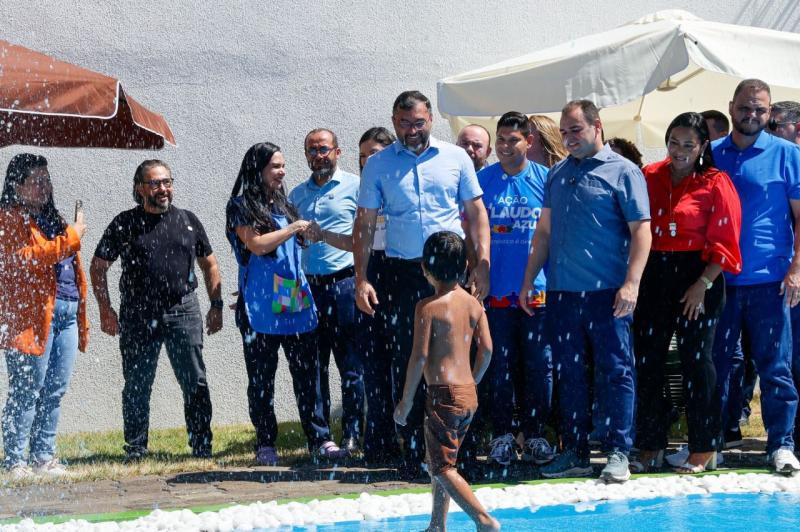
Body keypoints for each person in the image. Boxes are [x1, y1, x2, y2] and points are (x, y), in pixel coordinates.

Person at [353, 90, 490, 478]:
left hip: (451, 271)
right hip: (404, 272)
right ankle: (415, 452)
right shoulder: (379, 165)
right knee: (409, 358)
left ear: (431, 119)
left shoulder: (455, 157)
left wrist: (483, 265)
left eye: (418, 123)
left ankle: (462, 450)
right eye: (403, 123)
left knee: (458, 358)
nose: (411, 131)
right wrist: (361, 278)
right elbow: (364, 224)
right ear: (393, 122)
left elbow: (476, 212)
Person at [519, 100, 651, 482]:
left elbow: (642, 231)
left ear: (597, 127)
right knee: (570, 373)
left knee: (615, 372)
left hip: (608, 292)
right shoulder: (557, 173)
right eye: (563, 132)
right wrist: (530, 279)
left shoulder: (623, 171)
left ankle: (618, 451)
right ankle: (575, 451)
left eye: (575, 130)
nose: (568, 138)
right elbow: (543, 233)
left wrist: (632, 283)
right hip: (562, 293)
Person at [633, 112, 742, 473]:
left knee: (697, 361)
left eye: (688, 144)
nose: (679, 151)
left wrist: (702, 285)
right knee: (648, 360)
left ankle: (704, 445)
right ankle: (650, 443)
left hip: (700, 276)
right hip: (654, 274)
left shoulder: (716, 182)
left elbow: (726, 243)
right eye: (674, 143)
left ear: (702, 147)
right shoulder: (649, 176)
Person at [91, 160, 221, 461]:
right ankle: (136, 447)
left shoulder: (188, 220)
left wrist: (215, 306)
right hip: (137, 313)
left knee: (195, 381)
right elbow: (98, 267)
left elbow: (210, 264)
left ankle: (201, 445)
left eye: (167, 182)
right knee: (136, 384)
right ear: (140, 188)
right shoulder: (124, 223)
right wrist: (105, 309)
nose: (163, 189)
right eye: (155, 183)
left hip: (183, 310)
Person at [226, 143, 347, 464]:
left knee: (307, 377)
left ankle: (320, 439)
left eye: (282, 165)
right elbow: (257, 245)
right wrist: (294, 227)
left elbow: (294, 244)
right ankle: (266, 442)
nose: (282, 171)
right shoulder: (240, 206)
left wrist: (312, 234)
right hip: (259, 305)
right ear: (258, 169)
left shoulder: (284, 202)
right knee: (262, 380)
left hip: (293, 297)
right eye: (275, 166)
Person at [708, 79, 800, 474]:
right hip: (719, 280)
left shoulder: (787, 154)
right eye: (746, 107)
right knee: (713, 366)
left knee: (775, 366)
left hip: (769, 280)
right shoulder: (710, 155)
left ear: (770, 113)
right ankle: (711, 443)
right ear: (731, 107)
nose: (753, 115)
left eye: (760, 110)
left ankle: (781, 444)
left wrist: (796, 269)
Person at [393, 231, 498, 532]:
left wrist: (406, 400)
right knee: (442, 461)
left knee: (441, 466)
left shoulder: (427, 308)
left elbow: (419, 358)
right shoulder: (475, 305)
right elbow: (487, 350)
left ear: (425, 269)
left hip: (442, 396)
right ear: (466, 265)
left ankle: (484, 520)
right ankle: (437, 524)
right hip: (468, 397)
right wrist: (473, 381)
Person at [0, 154, 89, 479]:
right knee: (27, 390)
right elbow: (23, 259)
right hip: (30, 318)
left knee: (54, 389)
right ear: (17, 186)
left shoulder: (53, 219)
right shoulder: (8, 219)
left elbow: (68, 263)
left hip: (65, 309)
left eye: (46, 179)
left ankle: (43, 457)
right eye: (36, 181)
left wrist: (69, 234)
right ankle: (15, 461)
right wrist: (73, 236)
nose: (44, 186)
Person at [477, 112, 554, 467]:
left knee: (539, 366)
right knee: (500, 365)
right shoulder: (482, 181)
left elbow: (553, 236)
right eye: (501, 140)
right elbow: (471, 234)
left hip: (537, 291)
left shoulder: (545, 180)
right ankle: (503, 435)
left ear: (529, 142)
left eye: (513, 140)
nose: (506, 147)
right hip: (496, 293)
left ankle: (536, 434)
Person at [289, 128, 364, 455]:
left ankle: (353, 433)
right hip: (305, 287)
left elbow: (365, 237)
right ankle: (320, 437)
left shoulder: (356, 187)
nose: (318, 155)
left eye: (323, 149)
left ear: (337, 151)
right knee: (311, 367)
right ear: (306, 155)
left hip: (344, 283)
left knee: (351, 366)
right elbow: (288, 243)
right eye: (311, 150)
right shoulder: (296, 195)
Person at [354, 127, 400, 463]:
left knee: (405, 361)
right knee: (374, 364)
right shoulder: (360, 191)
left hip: (399, 270)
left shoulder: (399, 185)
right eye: (362, 157)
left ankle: (408, 436)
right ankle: (378, 440)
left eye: (373, 154)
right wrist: (324, 235)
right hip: (369, 275)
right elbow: (357, 239)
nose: (367, 161)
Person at [769, 100, 800, 446]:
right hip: (783, 278)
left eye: (775, 125)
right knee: (786, 361)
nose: (768, 133)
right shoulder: (781, 165)